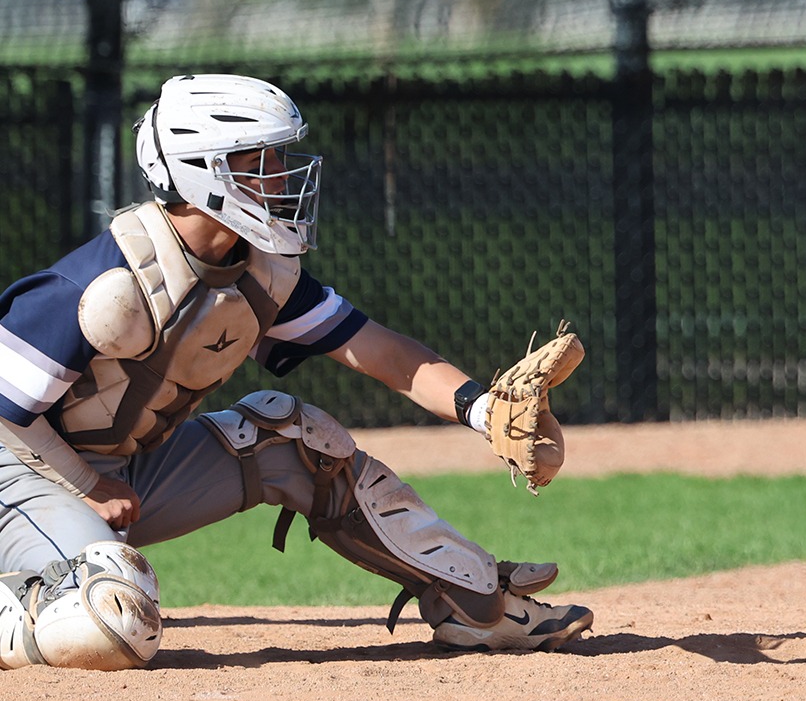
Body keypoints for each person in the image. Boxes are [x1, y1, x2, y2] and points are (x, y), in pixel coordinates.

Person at [0, 74, 593, 669]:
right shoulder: (100, 286)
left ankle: (478, 606)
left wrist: (484, 410)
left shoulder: (257, 274)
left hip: (120, 474)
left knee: (298, 440)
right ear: (206, 171)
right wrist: (87, 483)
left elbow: (383, 353)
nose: (286, 178)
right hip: (21, 477)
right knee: (111, 619)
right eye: (264, 162)